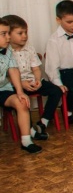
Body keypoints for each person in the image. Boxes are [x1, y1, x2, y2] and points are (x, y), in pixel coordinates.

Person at [4, 14, 61, 140]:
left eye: (26, 32)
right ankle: (30, 131)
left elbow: (36, 69)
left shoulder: (29, 48)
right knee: (22, 101)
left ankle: (43, 122)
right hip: (16, 85)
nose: (25, 36)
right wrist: (21, 84)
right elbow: (6, 76)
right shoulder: (5, 52)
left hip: (32, 80)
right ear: (9, 34)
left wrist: (37, 80)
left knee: (56, 91)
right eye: (20, 33)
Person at [0, 18, 42, 153]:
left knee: (22, 102)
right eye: (4, 34)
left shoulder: (8, 51)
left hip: (3, 88)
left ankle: (26, 141)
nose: (8, 37)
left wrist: (20, 92)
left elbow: (13, 70)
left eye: (8, 33)